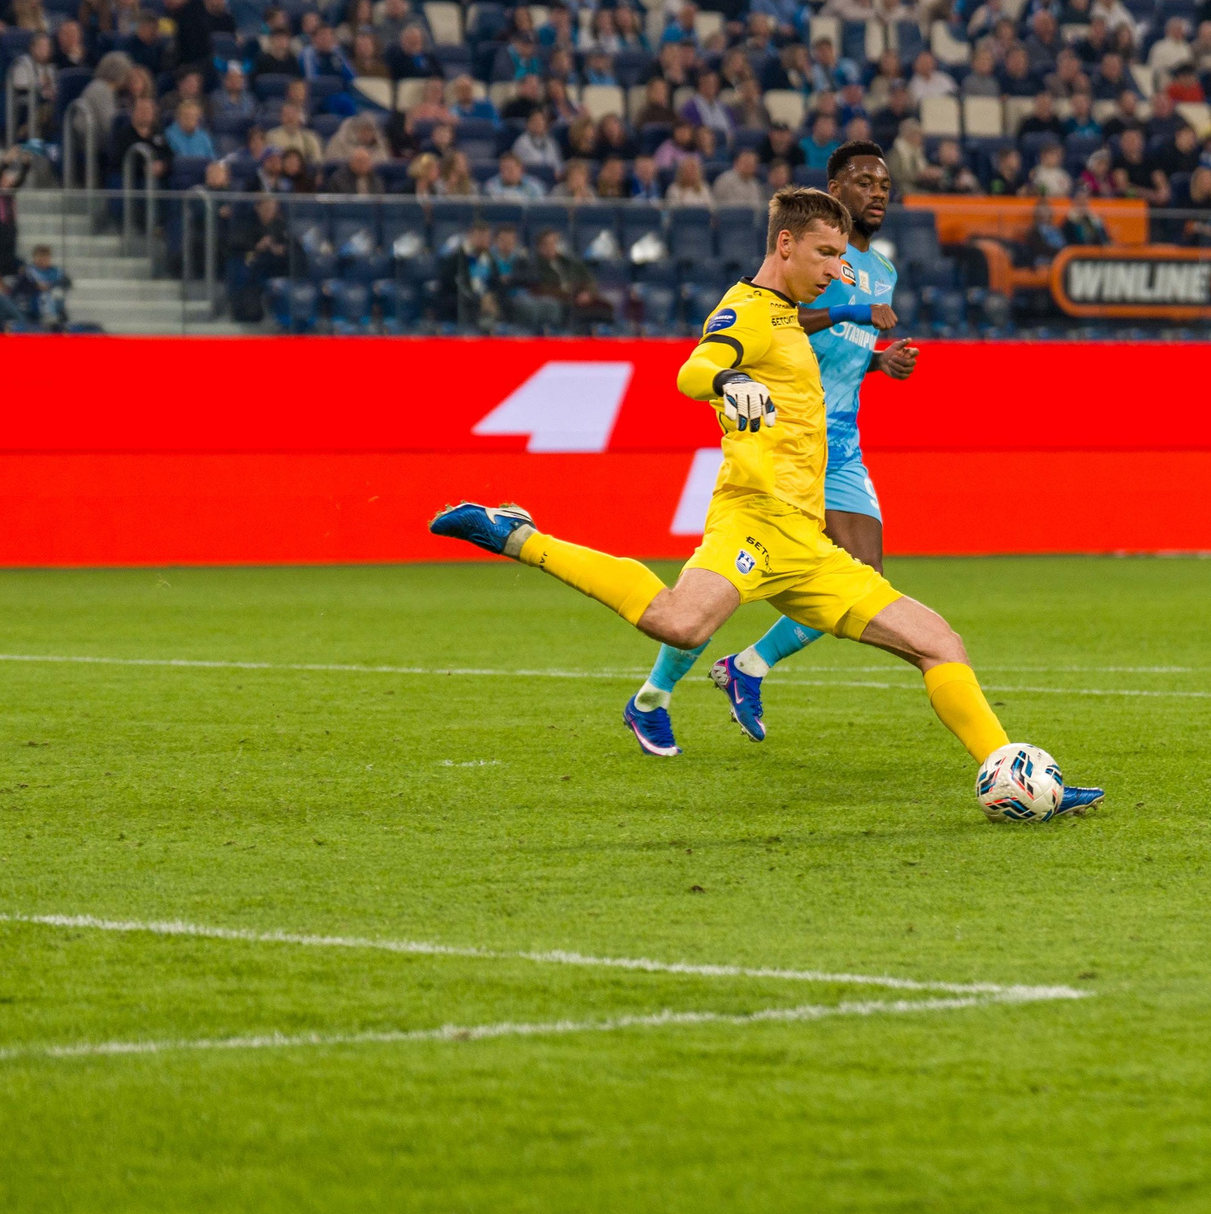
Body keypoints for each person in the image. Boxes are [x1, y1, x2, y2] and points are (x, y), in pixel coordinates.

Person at [430, 187, 1098, 808]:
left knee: (941, 642)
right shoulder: (746, 311)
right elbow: (692, 368)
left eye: (842, 254)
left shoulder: (786, 314)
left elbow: (796, 344)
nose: (838, 268)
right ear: (785, 245)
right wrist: (727, 382)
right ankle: (517, 534)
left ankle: (1010, 771)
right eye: (826, 254)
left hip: (807, 543)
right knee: (679, 622)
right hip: (752, 523)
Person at [622, 139, 921, 747]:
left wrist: (878, 361)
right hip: (780, 436)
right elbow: (783, 323)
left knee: (863, 572)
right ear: (834, 193)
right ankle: (653, 696)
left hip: (840, 437)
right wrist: (856, 313)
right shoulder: (821, 260)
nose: (878, 194)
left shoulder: (883, 270)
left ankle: (747, 667)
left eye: (885, 185)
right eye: (865, 182)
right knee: (734, 580)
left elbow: (829, 356)